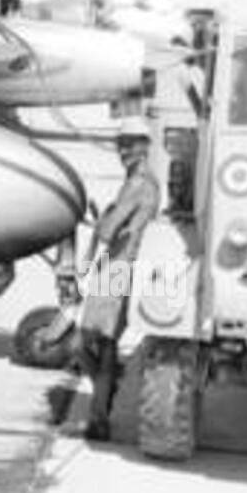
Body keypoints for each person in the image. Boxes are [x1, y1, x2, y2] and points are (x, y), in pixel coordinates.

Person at [76, 116, 161, 442]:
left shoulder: (139, 183)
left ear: (145, 146)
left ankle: (102, 407)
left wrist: (103, 223)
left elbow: (109, 229)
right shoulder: (142, 180)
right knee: (105, 345)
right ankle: (101, 407)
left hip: (117, 269)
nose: (124, 149)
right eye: (121, 143)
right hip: (121, 266)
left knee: (84, 342)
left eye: (132, 143)